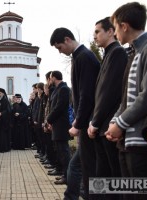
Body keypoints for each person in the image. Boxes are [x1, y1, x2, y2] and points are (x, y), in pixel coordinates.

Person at [105, 2, 147, 200]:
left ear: (124, 26)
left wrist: (120, 123)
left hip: (142, 142)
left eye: (115, 28)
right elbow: (126, 98)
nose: (114, 33)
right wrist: (115, 121)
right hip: (127, 141)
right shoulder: (134, 52)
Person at [50, 28, 100, 200]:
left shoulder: (84, 57)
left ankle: (73, 196)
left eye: (59, 47)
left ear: (67, 39)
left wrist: (78, 122)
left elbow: (86, 94)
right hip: (87, 121)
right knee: (81, 165)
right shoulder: (78, 57)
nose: (60, 52)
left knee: (78, 166)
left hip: (88, 122)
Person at [87, 17, 128, 200]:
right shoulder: (108, 54)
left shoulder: (118, 53)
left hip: (109, 127)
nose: (94, 36)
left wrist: (95, 122)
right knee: (103, 177)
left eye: (97, 31)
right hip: (102, 126)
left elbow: (109, 92)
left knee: (113, 178)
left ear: (110, 31)